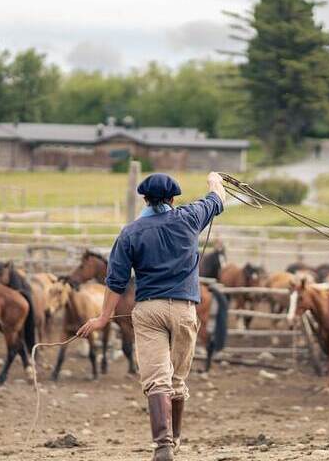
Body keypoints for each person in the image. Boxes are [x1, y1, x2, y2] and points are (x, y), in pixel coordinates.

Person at [78, 172, 226, 461]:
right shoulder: (189, 217)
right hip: (184, 308)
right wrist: (214, 179)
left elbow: (116, 281)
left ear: (145, 198)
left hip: (148, 310)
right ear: (172, 199)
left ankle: (163, 446)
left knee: (157, 380)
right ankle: (177, 438)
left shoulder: (131, 232)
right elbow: (217, 199)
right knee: (178, 380)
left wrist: (102, 317)